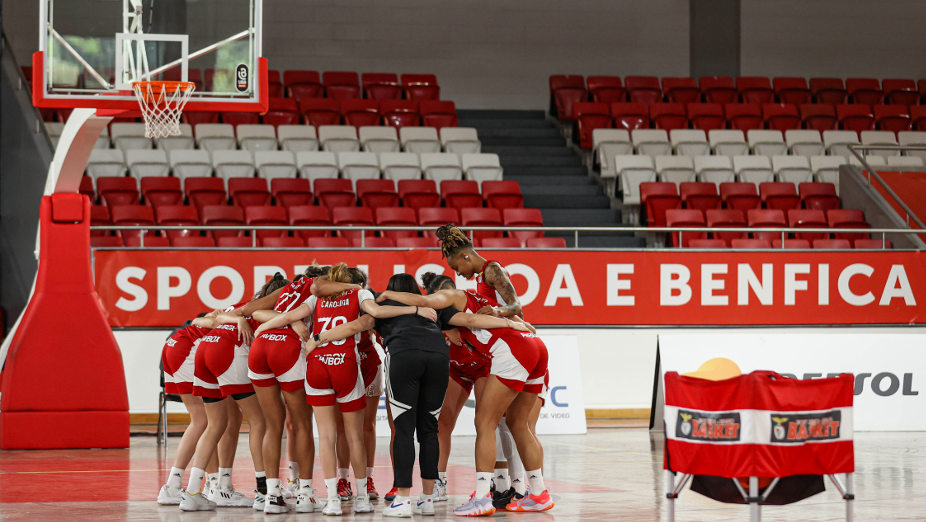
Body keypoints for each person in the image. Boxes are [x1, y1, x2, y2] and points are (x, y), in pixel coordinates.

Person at [304, 272, 532, 517]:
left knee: (403, 430)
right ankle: (427, 499)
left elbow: (357, 324)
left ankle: (402, 500)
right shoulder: (429, 304)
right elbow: (470, 319)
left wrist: (318, 339)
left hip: (403, 355)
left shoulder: (379, 301)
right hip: (438, 359)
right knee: (429, 429)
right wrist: (509, 322)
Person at [254, 263, 433, 516]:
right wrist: (417, 309)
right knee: (355, 434)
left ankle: (332, 500)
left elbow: (286, 316)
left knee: (326, 436)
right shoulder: (360, 294)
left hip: (317, 364)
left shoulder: (317, 298)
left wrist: (262, 328)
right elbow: (375, 314)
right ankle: (361, 498)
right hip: (346, 363)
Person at [376, 281, 553, 516]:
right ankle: (537, 492)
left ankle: (489, 493)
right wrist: (514, 322)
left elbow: (442, 309)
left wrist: (388, 294)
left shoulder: (452, 306)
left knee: (487, 423)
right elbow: (482, 318)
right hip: (528, 348)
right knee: (516, 425)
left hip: (502, 356)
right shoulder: (475, 304)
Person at [435, 224, 540, 506]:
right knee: (503, 424)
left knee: (500, 423)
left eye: (455, 264)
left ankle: (511, 488)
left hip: (510, 349)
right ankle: (515, 487)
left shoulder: (492, 269)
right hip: (501, 349)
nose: (456, 272)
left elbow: (517, 306)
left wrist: (498, 312)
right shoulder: (476, 278)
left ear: (466, 256)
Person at [246, 266, 357, 514]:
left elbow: (250, 310)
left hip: (260, 346)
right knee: (301, 424)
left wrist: (275, 324)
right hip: (288, 347)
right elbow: (318, 291)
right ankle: (305, 493)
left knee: (272, 426)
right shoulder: (318, 286)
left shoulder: (289, 288)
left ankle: (271, 495)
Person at [177, 275, 289, 512]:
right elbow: (273, 316)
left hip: (205, 349)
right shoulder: (266, 307)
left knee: (215, 424)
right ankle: (262, 491)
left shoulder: (242, 307)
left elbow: (207, 319)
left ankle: (194, 491)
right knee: (260, 422)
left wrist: (236, 318)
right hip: (228, 351)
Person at [157, 314, 221, 505]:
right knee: (208, 422)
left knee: (202, 421)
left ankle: (173, 485)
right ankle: (214, 484)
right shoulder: (236, 316)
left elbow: (203, 320)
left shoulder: (225, 314)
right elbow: (211, 322)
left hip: (173, 344)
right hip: (187, 348)